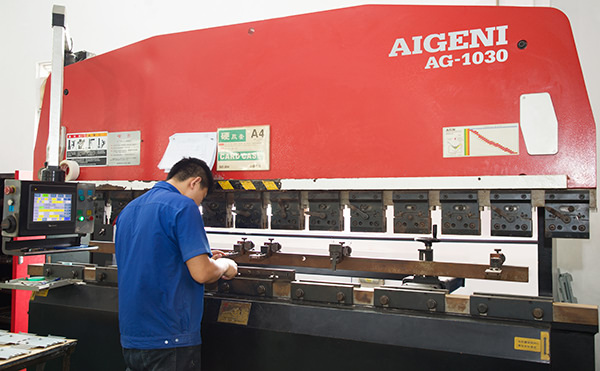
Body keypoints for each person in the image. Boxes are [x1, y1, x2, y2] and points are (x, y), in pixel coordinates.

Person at [115, 157, 238, 371]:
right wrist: (226, 265)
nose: (199, 203)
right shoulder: (183, 206)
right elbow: (202, 274)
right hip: (170, 338)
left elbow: (154, 255)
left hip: (132, 339)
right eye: (202, 197)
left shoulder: (129, 209)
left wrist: (201, 256)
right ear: (194, 182)